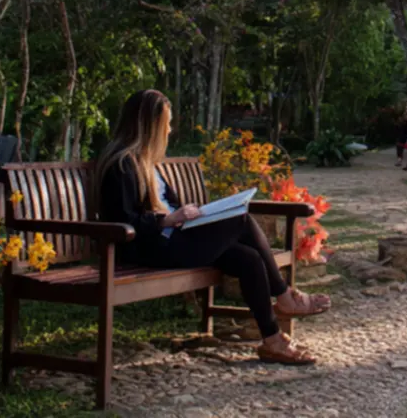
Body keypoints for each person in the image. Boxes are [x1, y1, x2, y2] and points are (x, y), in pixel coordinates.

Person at [96, 90, 330, 364]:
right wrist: (168, 220)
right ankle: (285, 296)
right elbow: (123, 221)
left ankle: (273, 341)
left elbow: (167, 207)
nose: (170, 130)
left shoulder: (146, 163)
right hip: (152, 249)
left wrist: (193, 215)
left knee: (249, 259)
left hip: (175, 239)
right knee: (241, 219)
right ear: (149, 126)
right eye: (166, 124)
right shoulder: (122, 165)